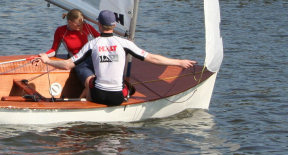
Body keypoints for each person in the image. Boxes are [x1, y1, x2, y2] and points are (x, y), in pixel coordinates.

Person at [37, 10, 196, 106]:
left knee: (91, 82)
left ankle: (84, 107)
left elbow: (66, 65)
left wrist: (46, 60)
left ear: (98, 25)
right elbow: (152, 58)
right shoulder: (124, 43)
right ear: (114, 25)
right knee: (123, 84)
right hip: (117, 97)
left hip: (98, 95)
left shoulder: (92, 44)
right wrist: (179, 62)